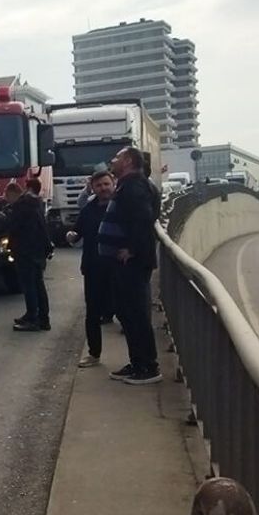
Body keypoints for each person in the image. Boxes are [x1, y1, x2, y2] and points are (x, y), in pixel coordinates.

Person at [98, 146, 162, 384]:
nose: (112, 160)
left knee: (136, 314)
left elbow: (143, 220)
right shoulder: (129, 185)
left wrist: (132, 249)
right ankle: (137, 362)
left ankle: (148, 367)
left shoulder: (135, 187)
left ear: (127, 161)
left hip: (132, 263)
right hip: (125, 263)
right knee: (127, 313)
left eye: (117, 157)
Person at [66, 170, 116, 367]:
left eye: (106, 184)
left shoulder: (121, 206)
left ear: (113, 184)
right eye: (99, 185)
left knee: (126, 312)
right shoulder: (88, 209)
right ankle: (94, 354)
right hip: (93, 267)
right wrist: (71, 235)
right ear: (93, 188)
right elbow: (77, 231)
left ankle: (137, 360)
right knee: (92, 313)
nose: (103, 188)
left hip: (117, 267)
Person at [4, 179, 52, 331]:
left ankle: (33, 318)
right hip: (37, 249)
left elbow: (14, 226)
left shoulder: (21, 205)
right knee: (38, 284)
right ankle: (43, 318)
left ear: (12, 194)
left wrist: (5, 217)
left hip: (25, 250)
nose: (7, 201)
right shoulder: (36, 203)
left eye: (7, 197)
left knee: (29, 285)